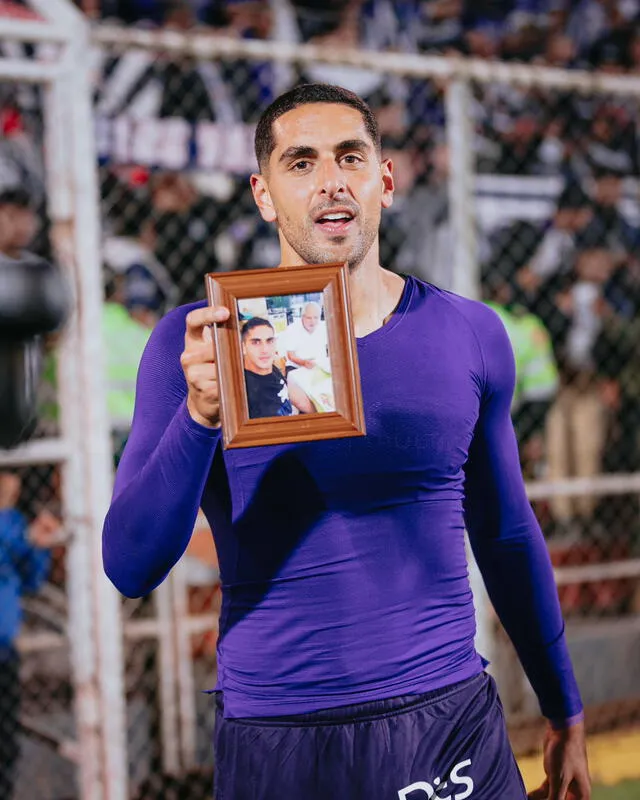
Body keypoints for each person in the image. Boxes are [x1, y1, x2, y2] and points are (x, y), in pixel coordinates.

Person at [102, 84, 591, 800]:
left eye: (350, 157)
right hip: (280, 740)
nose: (330, 179)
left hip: (447, 720)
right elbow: (130, 565)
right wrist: (202, 415)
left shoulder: (471, 334)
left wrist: (564, 706)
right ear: (263, 195)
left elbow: (508, 532)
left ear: (384, 181)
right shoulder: (197, 345)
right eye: (300, 163)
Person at [0, 472, 58, 799]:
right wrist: (24, 539)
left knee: (6, 745)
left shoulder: (12, 520)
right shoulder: (10, 525)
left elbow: (31, 580)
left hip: (4, 650)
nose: (12, 481)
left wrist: (38, 545)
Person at [241, 316, 313, 418]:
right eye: (256, 342)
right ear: (243, 347)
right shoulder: (246, 392)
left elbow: (290, 391)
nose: (265, 350)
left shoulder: (269, 368)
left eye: (269, 341)